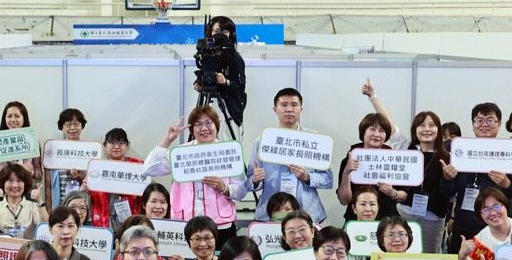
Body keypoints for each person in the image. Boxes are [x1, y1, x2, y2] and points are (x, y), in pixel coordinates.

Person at [146, 107, 250, 244]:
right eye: (198, 124)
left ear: (216, 125)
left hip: (221, 225)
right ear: (192, 129)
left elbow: (241, 190)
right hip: (187, 225)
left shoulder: (229, 152)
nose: (204, 128)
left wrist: (224, 188)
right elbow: (150, 168)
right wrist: (167, 140)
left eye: (209, 123)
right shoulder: (181, 153)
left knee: (221, 258)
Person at [440, 103, 512, 251]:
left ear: (499, 124)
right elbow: (446, 192)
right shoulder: (461, 151)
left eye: (490, 120)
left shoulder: (511, 151)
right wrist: (447, 178)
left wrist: (507, 184)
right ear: (473, 124)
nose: (484, 124)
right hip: (464, 225)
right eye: (479, 120)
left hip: (497, 228)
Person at [250, 88, 334, 225]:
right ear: (275, 109)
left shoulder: (314, 140)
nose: (289, 109)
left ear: (301, 109)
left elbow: (328, 179)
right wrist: (255, 180)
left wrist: (307, 177)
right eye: (284, 105)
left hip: (308, 212)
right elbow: (249, 181)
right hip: (271, 213)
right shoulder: (263, 140)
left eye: (294, 105)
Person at [336, 100, 412, 225]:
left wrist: (393, 193)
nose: (377, 134)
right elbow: (344, 200)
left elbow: (404, 195)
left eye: (382, 131)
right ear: (363, 132)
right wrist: (347, 172)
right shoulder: (350, 160)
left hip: (388, 220)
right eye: (372, 129)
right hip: (356, 221)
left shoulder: (394, 160)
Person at [405, 110, 451, 254]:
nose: (427, 129)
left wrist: (448, 177)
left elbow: (450, 191)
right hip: (406, 212)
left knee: (431, 256)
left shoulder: (448, 157)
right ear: (415, 129)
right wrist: (373, 98)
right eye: (421, 125)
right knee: (405, 252)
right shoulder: (408, 151)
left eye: (431, 125)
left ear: (438, 130)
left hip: (433, 218)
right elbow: (392, 128)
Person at [0, 101, 45, 201]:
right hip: (1, 194)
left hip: (27, 194)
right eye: (9, 116)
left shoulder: (32, 141)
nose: (13, 120)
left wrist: (29, 171)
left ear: (24, 118)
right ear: (5, 119)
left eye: (17, 116)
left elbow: (39, 177)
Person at [194, 15, 247, 127]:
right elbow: (204, 73)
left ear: (231, 34)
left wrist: (226, 81)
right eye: (216, 31)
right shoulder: (206, 54)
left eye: (224, 31)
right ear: (209, 32)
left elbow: (240, 88)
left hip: (229, 109)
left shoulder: (235, 58)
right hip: (209, 106)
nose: (220, 35)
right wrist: (199, 84)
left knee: (226, 136)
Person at [90, 128, 143, 230]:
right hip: (103, 221)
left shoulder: (137, 165)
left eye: (121, 143)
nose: (116, 147)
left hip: (131, 221)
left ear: (127, 146)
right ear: (105, 145)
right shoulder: (97, 167)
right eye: (112, 143)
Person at [48, 108, 89, 209]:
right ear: (62, 127)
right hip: (60, 206)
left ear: (82, 126)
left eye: (76, 124)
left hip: (82, 207)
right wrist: (49, 209)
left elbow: (93, 184)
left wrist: (80, 178)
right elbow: (48, 185)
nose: (72, 128)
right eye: (68, 124)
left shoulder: (89, 150)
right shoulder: (54, 151)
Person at [0, 163, 45, 238]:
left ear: (25, 184)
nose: (15, 185)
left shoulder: (33, 207)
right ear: (3, 183)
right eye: (10, 180)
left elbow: (45, 228)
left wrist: (40, 201)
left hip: (27, 245)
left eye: (19, 181)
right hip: (2, 245)